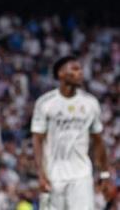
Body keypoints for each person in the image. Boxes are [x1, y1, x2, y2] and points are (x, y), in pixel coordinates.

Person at [31, 55, 113, 210]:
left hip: (81, 176)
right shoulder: (45, 103)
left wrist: (105, 174)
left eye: (80, 69)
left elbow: (98, 141)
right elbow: (37, 140)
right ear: (61, 73)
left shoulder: (90, 103)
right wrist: (41, 174)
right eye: (75, 69)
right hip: (53, 175)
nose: (80, 73)